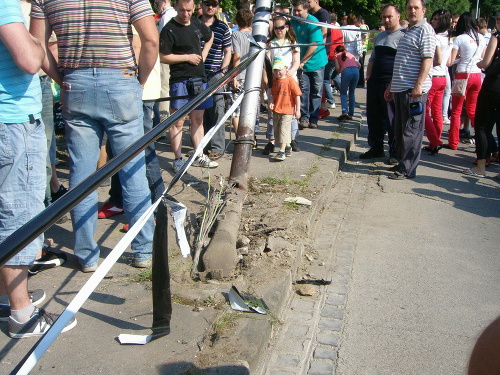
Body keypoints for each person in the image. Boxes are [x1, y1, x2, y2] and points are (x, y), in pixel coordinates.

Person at [31, 0, 158, 271]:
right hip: (121, 81)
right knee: (133, 172)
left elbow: (37, 46)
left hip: (75, 84)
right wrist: (139, 83)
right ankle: (143, 250)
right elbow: (151, 40)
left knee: (82, 176)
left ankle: (87, 255)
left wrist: (59, 78)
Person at [0, 0, 77, 338]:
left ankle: (6, 298)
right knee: (17, 217)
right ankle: (22, 314)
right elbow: (30, 59)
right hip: (13, 121)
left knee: (8, 211)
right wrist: (37, 20)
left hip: (10, 119)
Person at [159, 0, 217, 173]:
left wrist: (203, 54)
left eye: (189, 11)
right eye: (182, 10)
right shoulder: (169, 29)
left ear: (194, 8)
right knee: (177, 121)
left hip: (200, 78)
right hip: (179, 79)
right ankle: (178, 159)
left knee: (198, 119)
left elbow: (210, 36)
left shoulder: (197, 22)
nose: (186, 14)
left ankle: (199, 155)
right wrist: (187, 57)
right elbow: (163, 56)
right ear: (176, 7)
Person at [384, 0, 436, 180]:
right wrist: (392, 85)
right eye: (409, 8)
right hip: (400, 88)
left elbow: (428, 60)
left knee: (411, 131)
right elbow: (402, 61)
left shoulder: (425, 30)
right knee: (400, 129)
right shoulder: (409, 31)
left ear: (423, 10)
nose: (412, 11)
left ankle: (407, 169)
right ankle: (402, 163)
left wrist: (419, 85)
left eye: (416, 8)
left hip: (413, 90)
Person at [361, 4, 405, 163]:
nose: (386, 20)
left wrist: (393, 84)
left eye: (389, 17)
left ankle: (394, 152)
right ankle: (376, 148)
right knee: (373, 117)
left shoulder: (403, 36)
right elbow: (372, 58)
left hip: (391, 82)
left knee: (392, 119)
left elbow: (402, 63)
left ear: (398, 16)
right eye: (384, 17)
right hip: (375, 82)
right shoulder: (380, 36)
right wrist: (369, 75)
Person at [463, 13, 500, 178]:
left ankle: (481, 166)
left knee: (482, 126)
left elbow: (485, 62)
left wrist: (480, 63)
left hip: (494, 85)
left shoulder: (496, 37)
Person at [445, 12, 486, 150]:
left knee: (456, 110)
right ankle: (482, 140)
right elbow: (483, 56)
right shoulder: (481, 37)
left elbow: (450, 61)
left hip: (462, 74)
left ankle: (453, 142)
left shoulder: (459, 39)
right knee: (473, 110)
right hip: (477, 75)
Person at [263, 16, 301, 155]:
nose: (279, 30)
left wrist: (290, 72)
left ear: (287, 27)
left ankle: (291, 140)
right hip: (275, 81)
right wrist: (267, 79)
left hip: (289, 80)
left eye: (281, 27)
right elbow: (268, 62)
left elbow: (296, 61)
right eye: (276, 28)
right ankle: (271, 140)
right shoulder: (271, 43)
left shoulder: (292, 42)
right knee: (272, 112)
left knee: (289, 112)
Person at [200, 0, 232, 160]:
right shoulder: (193, 24)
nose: (210, 6)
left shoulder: (222, 27)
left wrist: (223, 71)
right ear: (201, 5)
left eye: (214, 4)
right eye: (207, 3)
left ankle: (217, 147)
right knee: (198, 112)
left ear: (218, 6)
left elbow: (228, 51)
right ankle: (201, 146)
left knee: (218, 109)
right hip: (196, 74)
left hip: (215, 74)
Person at [290, 0, 328, 130]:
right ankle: (304, 118)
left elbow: (313, 45)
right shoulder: (293, 22)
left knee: (316, 91)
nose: (296, 13)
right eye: (294, 10)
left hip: (316, 61)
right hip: (302, 63)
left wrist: (303, 61)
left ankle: (314, 118)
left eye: (299, 10)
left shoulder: (313, 22)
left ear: (306, 9)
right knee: (304, 90)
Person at [423, 9, 452, 155]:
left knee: (425, 112)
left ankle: (435, 141)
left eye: (435, 19)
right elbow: (448, 61)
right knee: (437, 111)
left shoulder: (436, 37)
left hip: (434, 77)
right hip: (443, 76)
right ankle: (435, 140)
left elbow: (438, 59)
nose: (432, 22)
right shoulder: (448, 37)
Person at [268, 57, 302, 161]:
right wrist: (271, 102)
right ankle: (287, 145)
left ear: (286, 68)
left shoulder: (290, 80)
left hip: (287, 110)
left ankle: (281, 151)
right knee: (277, 131)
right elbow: (271, 94)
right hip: (277, 109)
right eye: (275, 70)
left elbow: (297, 95)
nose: (277, 72)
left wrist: (297, 110)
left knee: (284, 129)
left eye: (280, 70)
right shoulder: (274, 81)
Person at [230, 8, 253, 136]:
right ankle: (251, 136)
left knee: (236, 109)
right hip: (253, 76)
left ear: (237, 21)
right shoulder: (255, 35)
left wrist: (234, 76)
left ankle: (239, 137)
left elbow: (236, 56)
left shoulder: (236, 35)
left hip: (240, 76)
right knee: (250, 108)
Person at [334, 45, 361, 121]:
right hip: (356, 71)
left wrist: (341, 70)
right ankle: (351, 114)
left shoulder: (336, 56)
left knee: (343, 92)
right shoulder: (350, 54)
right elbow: (359, 65)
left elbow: (337, 68)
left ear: (336, 51)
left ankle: (344, 111)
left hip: (346, 71)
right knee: (352, 92)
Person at [357, 16, 369, 87]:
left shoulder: (362, 27)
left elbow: (364, 35)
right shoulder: (366, 26)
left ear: (359, 22)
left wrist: (358, 39)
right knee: (361, 65)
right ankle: (361, 82)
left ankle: (360, 82)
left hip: (362, 48)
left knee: (360, 66)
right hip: (364, 48)